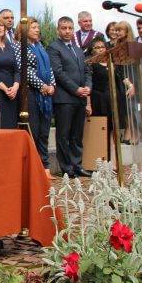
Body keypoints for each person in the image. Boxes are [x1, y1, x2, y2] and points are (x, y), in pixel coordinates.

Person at [47, 16, 92, 178]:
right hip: (65, 98)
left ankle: (77, 165)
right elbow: (58, 73)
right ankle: (67, 168)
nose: (67, 31)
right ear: (58, 30)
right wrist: (76, 89)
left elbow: (87, 71)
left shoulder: (78, 49)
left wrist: (88, 87)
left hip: (80, 98)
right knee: (64, 135)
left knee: (76, 135)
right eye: (64, 28)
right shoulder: (53, 48)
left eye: (70, 28)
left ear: (73, 30)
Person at [15, 18, 55, 176]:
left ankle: (45, 166)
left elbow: (49, 68)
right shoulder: (19, 46)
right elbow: (24, 69)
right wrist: (41, 86)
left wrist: (52, 85)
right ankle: (34, 168)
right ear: (24, 29)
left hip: (46, 95)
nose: (37, 30)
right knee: (35, 130)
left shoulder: (40, 46)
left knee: (44, 131)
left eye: (38, 27)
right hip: (31, 93)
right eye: (33, 27)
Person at [88, 39, 128, 156]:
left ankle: (115, 157)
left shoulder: (112, 62)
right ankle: (104, 157)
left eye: (102, 46)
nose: (100, 49)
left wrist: (130, 86)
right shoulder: (91, 65)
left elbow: (122, 77)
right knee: (103, 130)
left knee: (114, 129)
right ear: (92, 50)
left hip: (114, 101)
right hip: (100, 101)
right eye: (97, 47)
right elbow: (89, 83)